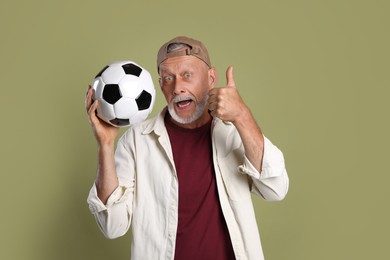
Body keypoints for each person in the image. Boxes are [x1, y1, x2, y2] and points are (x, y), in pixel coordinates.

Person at [85, 36, 289, 260]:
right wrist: (105, 144)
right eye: (168, 78)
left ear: (211, 78)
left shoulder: (234, 130)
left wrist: (242, 115)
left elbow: (275, 189)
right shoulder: (137, 140)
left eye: (187, 75)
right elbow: (112, 226)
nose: (177, 87)